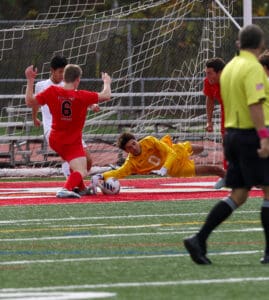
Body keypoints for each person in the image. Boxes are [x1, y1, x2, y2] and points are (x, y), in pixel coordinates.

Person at [183, 24, 269, 265]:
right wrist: (264, 136)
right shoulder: (253, 68)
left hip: (232, 134)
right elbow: (254, 104)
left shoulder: (229, 67)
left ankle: (199, 239)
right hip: (250, 134)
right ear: (260, 45)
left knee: (239, 195)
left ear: (239, 44)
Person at [25, 63, 112, 198]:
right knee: (82, 170)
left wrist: (30, 80)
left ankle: (81, 188)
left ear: (64, 77)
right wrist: (107, 82)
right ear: (77, 80)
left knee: (76, 163)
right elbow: (106, 95)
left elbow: (30, 101)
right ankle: (66, 188)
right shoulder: (82, 96)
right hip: (71, 140)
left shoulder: (51, 91)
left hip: (55, 138)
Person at [90, 132, 225, 193]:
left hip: (176, 150)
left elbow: (170, 153)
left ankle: (209, 151)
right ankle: (231, 179)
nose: (133, 148)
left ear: (136, 140)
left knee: (201, 148)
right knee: (214, 169)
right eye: (129, 148)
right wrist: (101, 176)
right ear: (126, 151)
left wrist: (164, 168)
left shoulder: (149, 141)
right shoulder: (132, 163)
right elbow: (119, 172)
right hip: (178, 168)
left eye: (133, 144)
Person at [32, 55, 98, 178]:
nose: (62, 74)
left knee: (88, 161)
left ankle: (73, 180)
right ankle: (71, 184)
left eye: (64, 71)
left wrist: (92, 105)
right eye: (60, 71)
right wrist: (34, 117)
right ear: (52, 71)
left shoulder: (67, 84)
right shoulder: (42, 86)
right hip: (53, 130)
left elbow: (78, 98)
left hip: (70, 129)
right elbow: (36, 103)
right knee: (75, 161)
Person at [203, 57, 226, 189]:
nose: (207, 76)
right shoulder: (208, 82)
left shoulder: (232, 80)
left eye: (210, 73)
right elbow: (210, 99)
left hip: (246, 112)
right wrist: (209, 121)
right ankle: (227, 176)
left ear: (220, 72)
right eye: (206, 73)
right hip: (227, 114)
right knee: (227, 145)